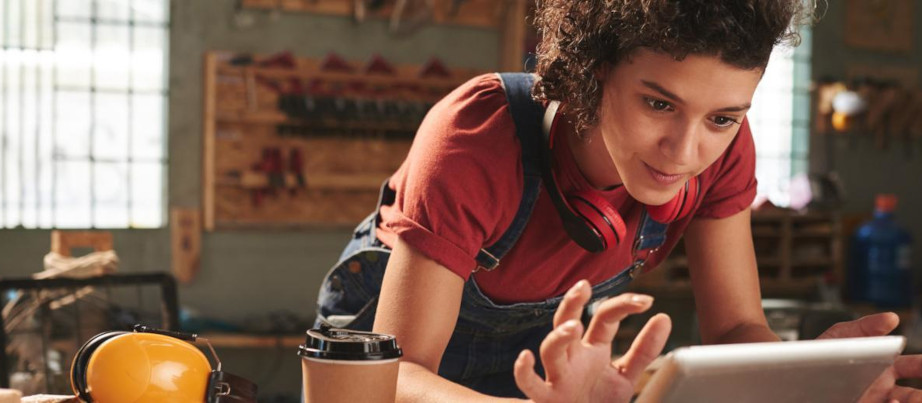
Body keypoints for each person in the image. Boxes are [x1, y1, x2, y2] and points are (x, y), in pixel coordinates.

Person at [314, 1, 922, 401]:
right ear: (589, 74)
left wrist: (807, 383)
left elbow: (736, 327)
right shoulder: (478, 135)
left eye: (723, 117)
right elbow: (396, 377)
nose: (685, 152)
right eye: (659, 103)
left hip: (541, 376)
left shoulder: (724, 151)